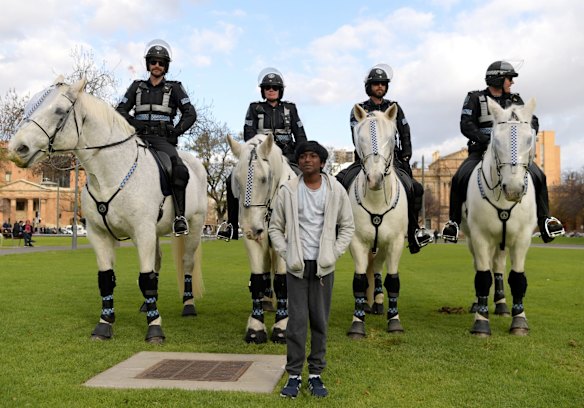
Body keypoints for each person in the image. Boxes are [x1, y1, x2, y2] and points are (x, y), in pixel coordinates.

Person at [441, 60, 564, 243]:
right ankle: (454, 223)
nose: (512, 83)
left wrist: (527, 133)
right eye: (509, 79)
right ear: (498, 79)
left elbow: (533, 120)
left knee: (540, 176)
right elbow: (466, 124)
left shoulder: (515, 100)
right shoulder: (474, 98)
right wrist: (488, 140)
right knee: (459, 178)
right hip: (480, 151)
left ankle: (545, 220)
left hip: (512, 154)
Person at [269, 141, 354, 399]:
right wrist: (288, 253)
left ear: (322, 162)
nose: (307, 160)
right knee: (296, 323)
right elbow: (275, 228)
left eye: (313, 156)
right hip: (296, 266)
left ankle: (316, 374)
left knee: (319, 321)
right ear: (298, 162)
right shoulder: (288, 190)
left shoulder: (336, 190)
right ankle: (294, 375)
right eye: (303, 156)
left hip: (323, 267)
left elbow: (347, 227)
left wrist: (333, 253)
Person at [335, 63, 431, 254]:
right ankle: (338, 231)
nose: (380, 87)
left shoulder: (394, 107)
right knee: (339, 183)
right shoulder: (359, 108)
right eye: (376, 83)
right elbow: (356, 136)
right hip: (365, 161)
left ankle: (414, 232)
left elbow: (405, 131)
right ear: (369, 86)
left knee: (415, 188)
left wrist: (406, 153)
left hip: (393, 161)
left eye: (383, 84)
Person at [116, 39, 196, 235]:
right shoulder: (136, 86)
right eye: (153, 62)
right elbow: (120, 110)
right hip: (137, 137)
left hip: (162, 139)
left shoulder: (175, 88)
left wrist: (176, 131)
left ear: (165, 66)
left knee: (178, 168)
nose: (157, 66)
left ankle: (179, 216)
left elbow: (190, 113)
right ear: (148, 64)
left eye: (161, 63)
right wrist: (135, 124)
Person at [218, 67, 308, 240]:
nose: (271, 90)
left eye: (274, 88)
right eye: (268, 88)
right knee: (231, 179)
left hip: (287, 155)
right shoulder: (254, 108)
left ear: (280, 90)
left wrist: (301, 155)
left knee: (305, 178)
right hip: (260, 156)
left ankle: (306, 222)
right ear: (263, 90)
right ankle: (231, 226)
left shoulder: (290, 108)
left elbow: (300, 135)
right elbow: (248, 134)